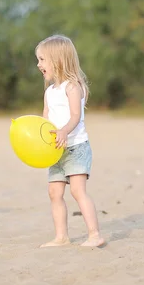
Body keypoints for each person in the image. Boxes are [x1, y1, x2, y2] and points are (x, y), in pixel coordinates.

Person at [35, 35, 105, 248]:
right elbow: (45, 119)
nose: (39, 65)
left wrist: (64, 131)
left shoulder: (72, 87)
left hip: (76, 147)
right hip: (56, 151)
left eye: (42, 59)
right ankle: (61, 237)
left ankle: (94, 234)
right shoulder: (49, 92)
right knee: (54, 192)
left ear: (58, 60)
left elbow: (75, 115)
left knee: (77, 191)